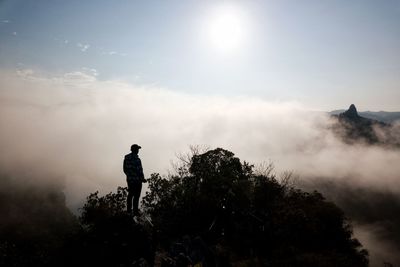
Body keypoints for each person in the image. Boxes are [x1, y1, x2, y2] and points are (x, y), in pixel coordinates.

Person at [123, 144, 146, 215]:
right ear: (135, 150)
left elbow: (124, 169)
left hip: (130, 180)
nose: (138, 150)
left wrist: (129, 176)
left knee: (130, 194)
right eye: (137, 149)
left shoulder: (126, 158)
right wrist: (142, 179)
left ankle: (129, 211)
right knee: (136, 196)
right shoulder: (137, 159)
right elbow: (139, 170)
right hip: (137, 180)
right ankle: (135, 211)